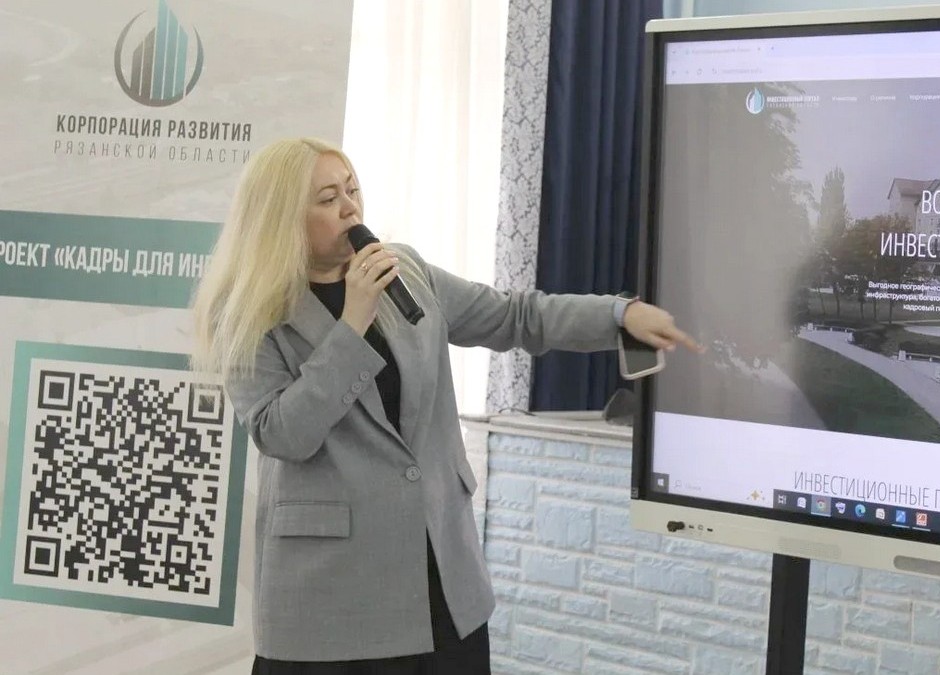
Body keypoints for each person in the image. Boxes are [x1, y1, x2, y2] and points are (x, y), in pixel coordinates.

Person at [190, 137, 701, 673]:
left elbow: (515, 316)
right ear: (281, 218)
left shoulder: (406, 272)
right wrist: (352, 324)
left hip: (443, 583)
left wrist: (619, 316)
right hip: (332, 602)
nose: (350, 209)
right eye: (327, 198)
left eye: (352, 190)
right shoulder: (247, 311)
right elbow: (282, 434)